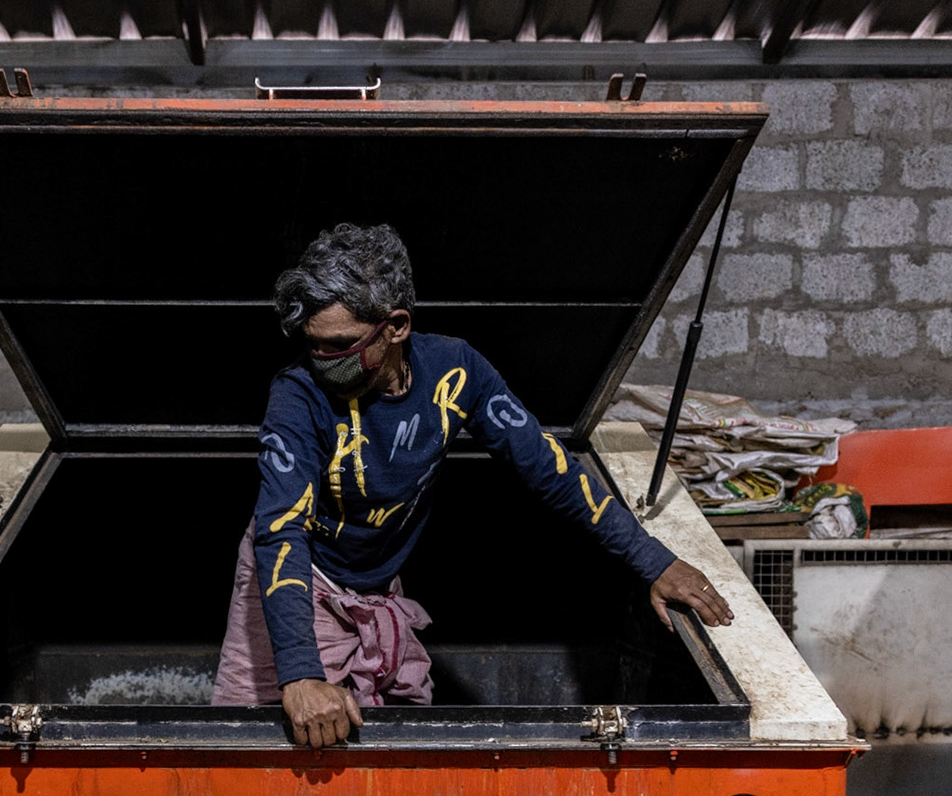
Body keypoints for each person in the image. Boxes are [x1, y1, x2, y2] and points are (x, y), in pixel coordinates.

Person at [211, 223, 733, 746]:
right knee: (271, 741)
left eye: (342, 345)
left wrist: (655, 562)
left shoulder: (455, 371)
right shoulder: (297, 396)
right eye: (314, 346)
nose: (325, 362)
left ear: (396, 326)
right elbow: (281, 528)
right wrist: (301, 673)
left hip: (375, 583)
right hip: (298, 576)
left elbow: (550, 470)